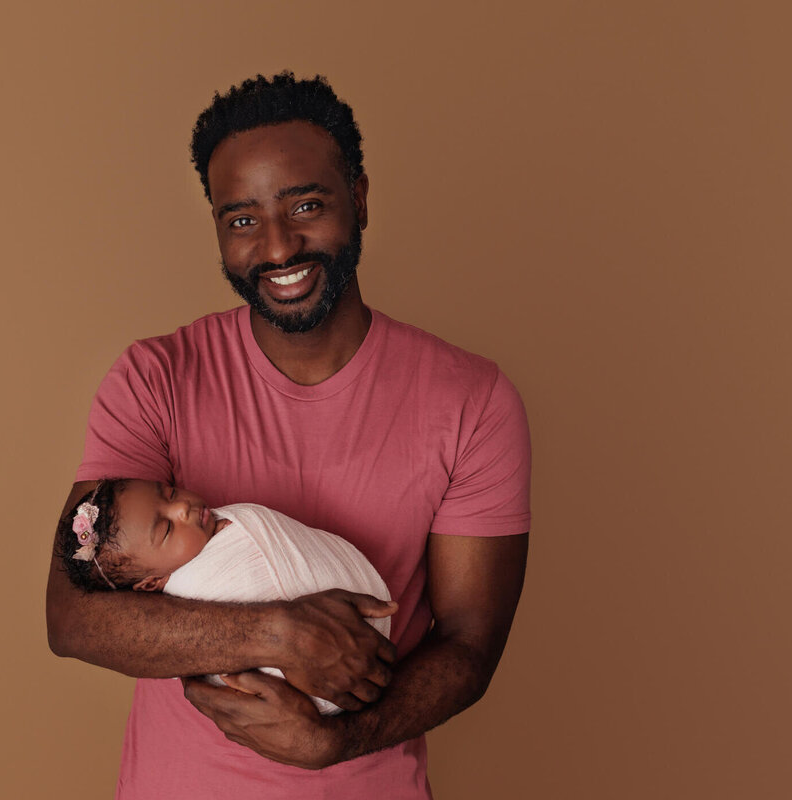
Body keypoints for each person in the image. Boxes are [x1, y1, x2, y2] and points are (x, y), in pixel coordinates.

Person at [46, 72, 531, 799]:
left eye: (306, 205)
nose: (277, 247)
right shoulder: (154, 377)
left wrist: (335, 742)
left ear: (359, 199)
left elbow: (469, 646)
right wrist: (275, 634)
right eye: (241, 219)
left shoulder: (474, 402)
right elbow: (74, 615)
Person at [54, 477, 393, 714]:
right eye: (167, 529)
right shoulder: (188, 598)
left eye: (169, 493)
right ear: (151, 583)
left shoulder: (212, 526)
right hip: (327, 688)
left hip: (360, 630)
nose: (182, 509)